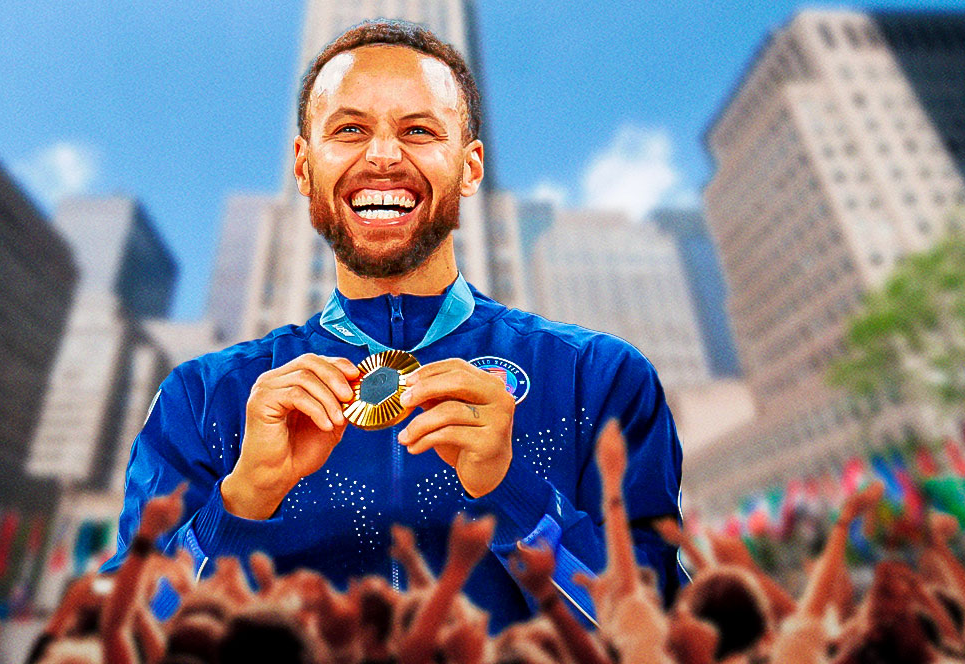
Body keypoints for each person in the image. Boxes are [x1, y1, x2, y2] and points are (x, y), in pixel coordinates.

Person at [103, 18, 687, 630]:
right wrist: (238, 503)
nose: (383, 155)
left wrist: (515, 497)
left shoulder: (598, 380)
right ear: (304, 167)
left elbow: (659, 637)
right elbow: (118, 640)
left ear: (470, 167)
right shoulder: (201, 399)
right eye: (350, 129)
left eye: (419, 130)